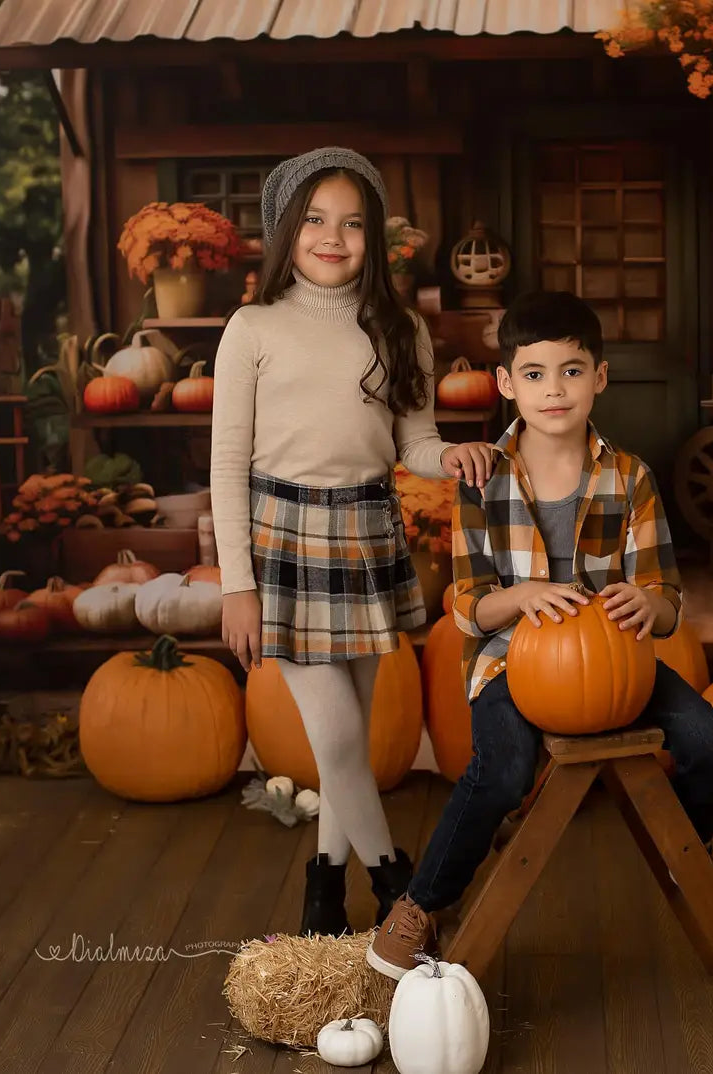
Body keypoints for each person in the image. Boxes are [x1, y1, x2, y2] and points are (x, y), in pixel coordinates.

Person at [366, 289, 713, 979]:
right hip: (510, 662)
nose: (554, 390)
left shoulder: (630, 479)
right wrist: (522, 596)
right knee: (502, 769)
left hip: (614, 664)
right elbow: (469, 610)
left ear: (599, 377)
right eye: (535, 374)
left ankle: (690, 850)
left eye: (572, 371)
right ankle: (422, 903)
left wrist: (645, 604)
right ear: (507, 383)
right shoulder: (483, 479)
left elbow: (668, 604)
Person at [210, 147, 496, 937]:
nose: (333, 238)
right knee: (334, 737)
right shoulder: (253, 327)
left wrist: (455, 456)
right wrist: (238, 583)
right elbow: (227, 462)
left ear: (374, 239)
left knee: (353, 746)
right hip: (284, 540)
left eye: (353, 223)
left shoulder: (399, 327)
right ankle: (400, 883)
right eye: (315, 221)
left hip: (368, 532)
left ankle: (324, 889)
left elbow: (415, 441)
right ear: (284, 231)